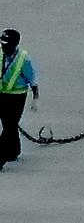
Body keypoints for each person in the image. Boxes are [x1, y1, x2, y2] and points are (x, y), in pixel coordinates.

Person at [0, 29, 38, 170]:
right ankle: (13, 150)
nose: (4, 46)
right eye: (2, 43)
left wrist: (35, 97)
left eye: (7, 44)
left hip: (17, 97)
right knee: (8, 125)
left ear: (15, 44)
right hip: (1, 95)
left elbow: (32, 79)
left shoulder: (23, 59)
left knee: (10, 126)